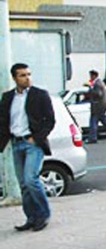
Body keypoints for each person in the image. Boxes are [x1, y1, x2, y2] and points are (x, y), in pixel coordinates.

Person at [0, 63, 55, 232]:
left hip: (33, 144)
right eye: (23, 75)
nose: (27, 78)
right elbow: (3, 122)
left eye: (29, 74)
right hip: (16, 143)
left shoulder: (40, 95)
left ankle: (43, 215)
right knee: (23, 183)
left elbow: (50, 120)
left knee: (31, 179)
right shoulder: (8, 97)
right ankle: (31, 218)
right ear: (15, 78)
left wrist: (36, 138)